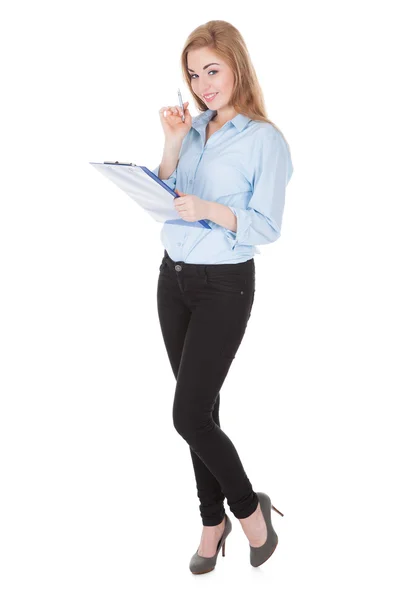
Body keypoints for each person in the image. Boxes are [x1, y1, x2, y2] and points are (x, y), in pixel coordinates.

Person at [152, 20, 293, 574]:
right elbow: (166, 191)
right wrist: (170, 144)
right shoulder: (194, 128)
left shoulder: (265, 140)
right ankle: (212, 521)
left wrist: (210, 210)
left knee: (187, 415)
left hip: (223, 286)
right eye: (193, 74)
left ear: (237, 64)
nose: (203, 84)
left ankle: (248, 510)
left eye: (212, 70)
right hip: (173, 279)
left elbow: (267, 226)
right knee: (202, 411)